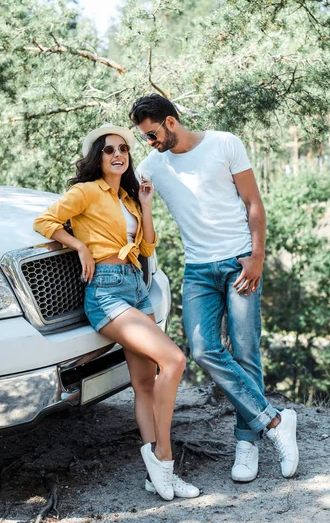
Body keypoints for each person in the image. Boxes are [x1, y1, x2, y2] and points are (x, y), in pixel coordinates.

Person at [130, 95, 299, 482]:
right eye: (145, 138)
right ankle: (275, 421)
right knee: (203, 348)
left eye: (153, 134)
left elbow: (253, 202)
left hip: (240, 260)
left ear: (171, 122)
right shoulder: (151, 166)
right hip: (198, 270)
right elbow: (117, 195)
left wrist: (257, 256)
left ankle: (247, 443)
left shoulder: (225, 143)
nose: (150, 143)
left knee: (244, 352)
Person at [33, 123, 199, 501]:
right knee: (174, 360)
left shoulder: (127, 199)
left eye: (123, 148)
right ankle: (164, 458)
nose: (117, 154)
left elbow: (147, 247)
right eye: (109, 149)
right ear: (98, 157)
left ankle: (155, 475)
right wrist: (80, 246)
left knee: (144, 382)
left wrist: (145, 205)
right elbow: (45, 221)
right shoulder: (86, 192)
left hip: (135, 287)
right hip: (106, 292)